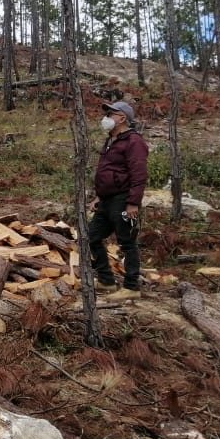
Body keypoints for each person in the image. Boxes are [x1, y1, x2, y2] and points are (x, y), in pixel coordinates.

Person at [88, 101, 148, 300]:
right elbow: (108, 171)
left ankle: (131, 287)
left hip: (123, 200)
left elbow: (139, 175)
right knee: (91, 236)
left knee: (127, 242)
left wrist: (133, 203)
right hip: (106, 200)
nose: (105, 118)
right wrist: (99, 196)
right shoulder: (110, 140)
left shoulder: (134, 141)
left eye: (110, 114)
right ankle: (106, 281)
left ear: (122, 118)